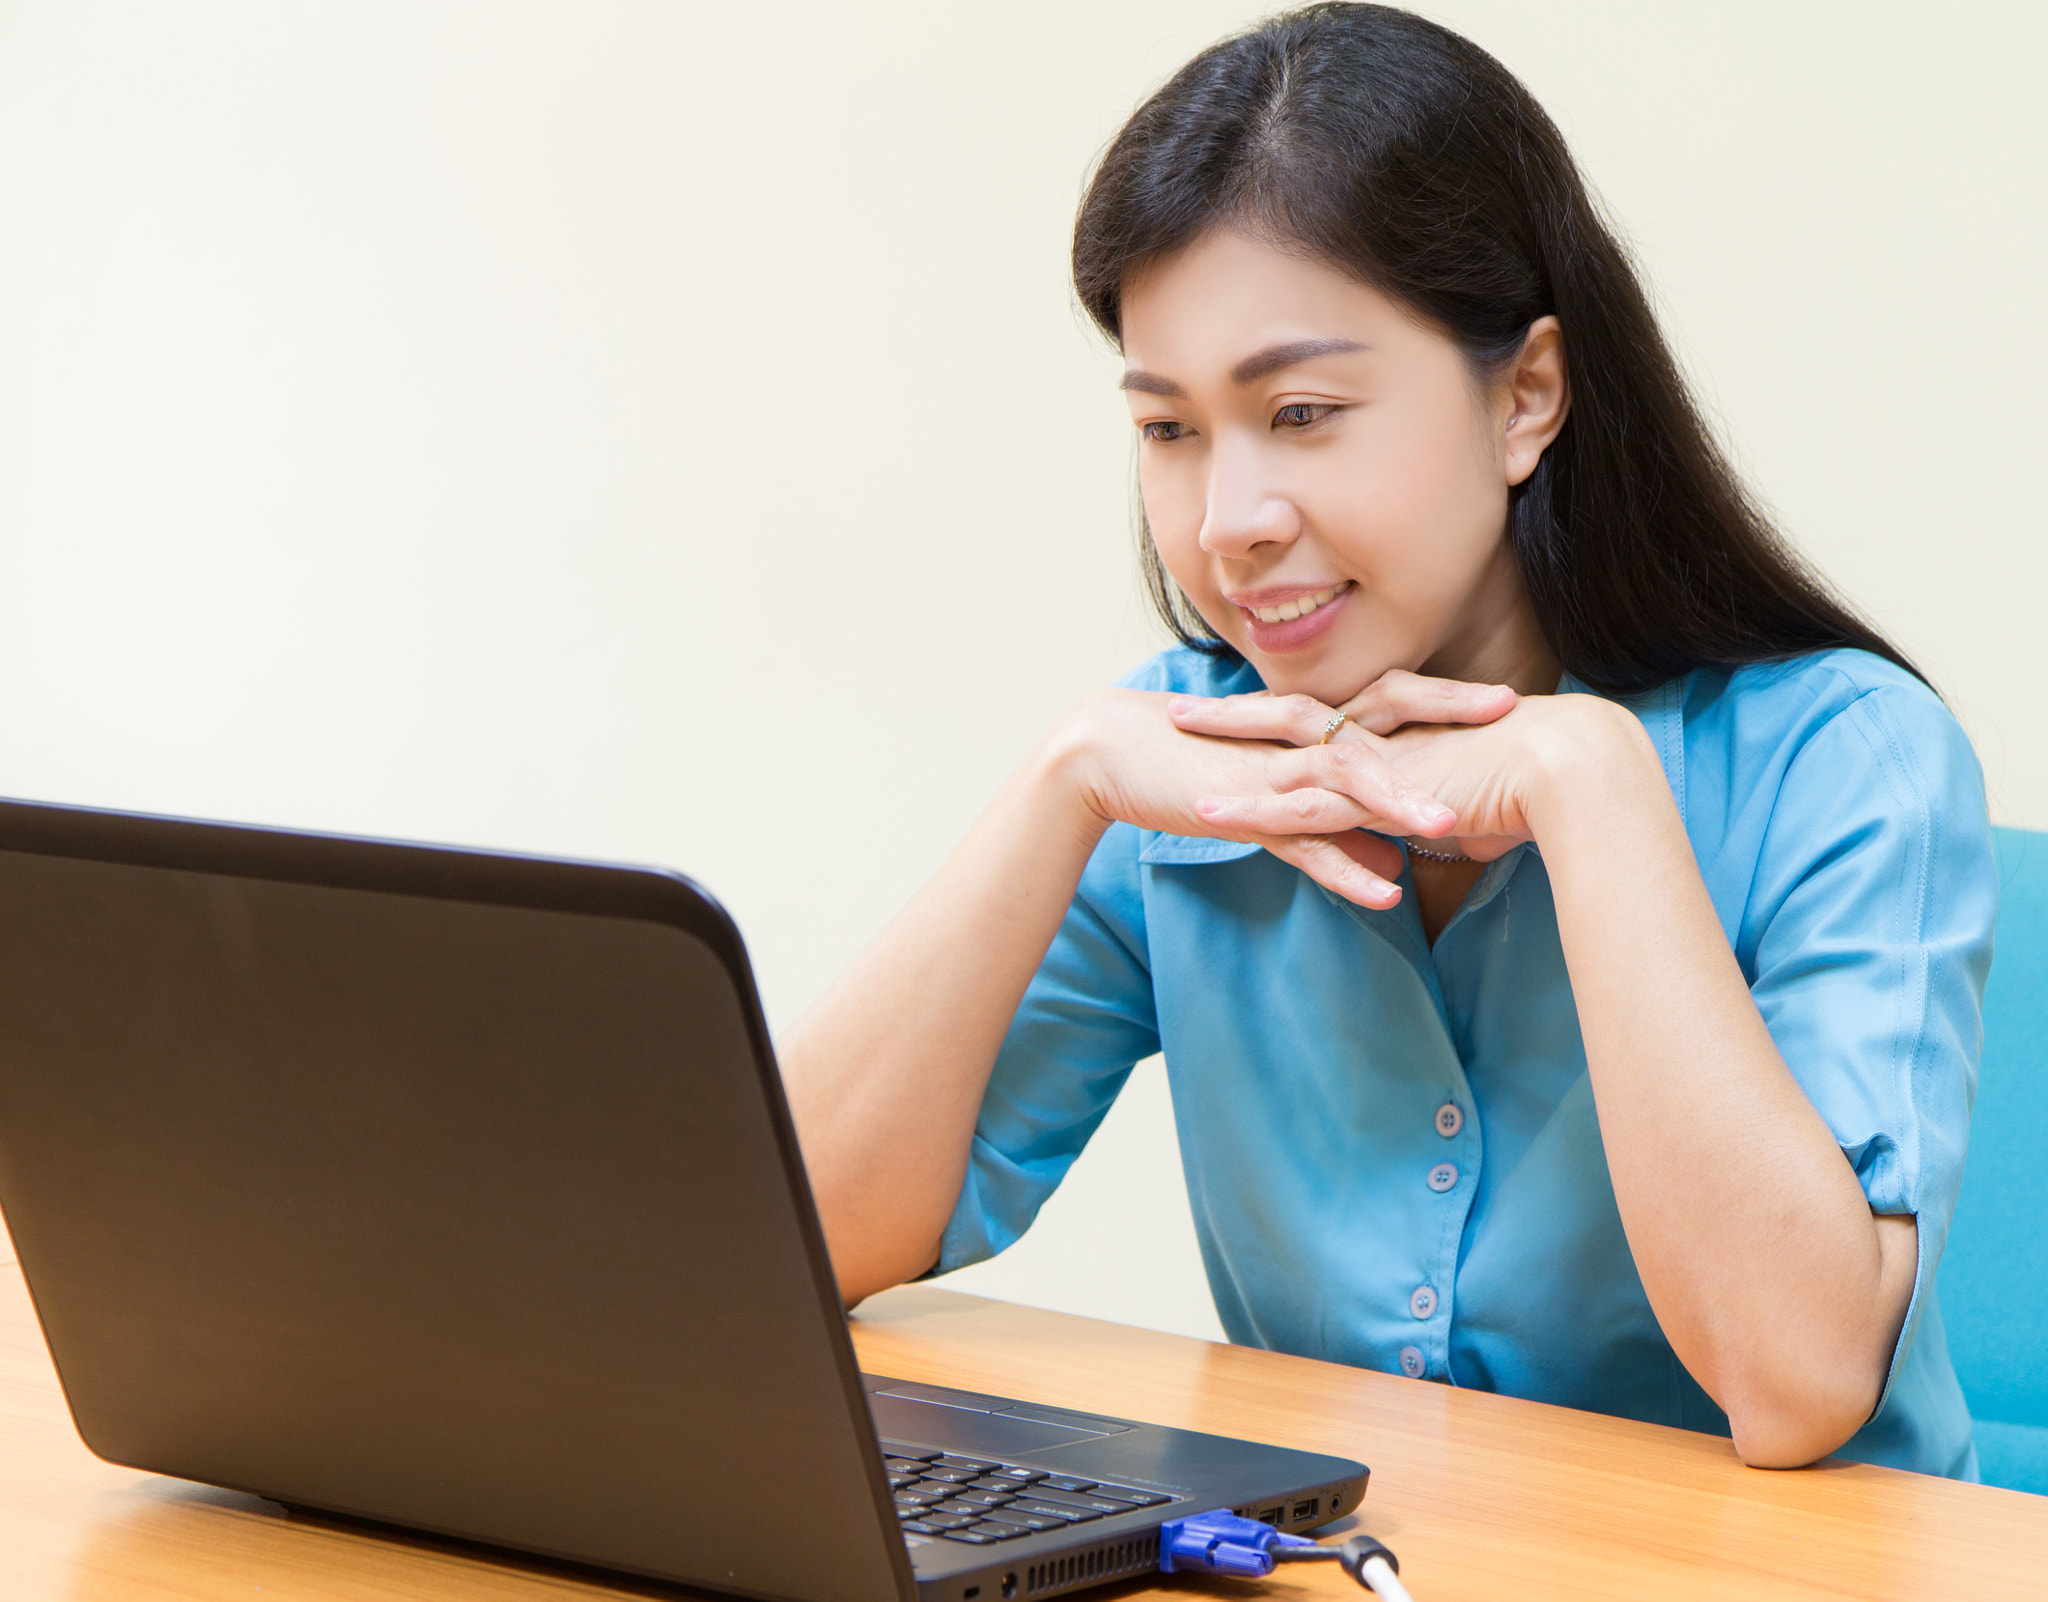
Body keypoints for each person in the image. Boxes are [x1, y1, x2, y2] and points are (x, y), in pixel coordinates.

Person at [780, 2, 1993, 1478]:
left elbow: (1794, 1383)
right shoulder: (1190, 767)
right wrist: (1063, 785)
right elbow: (798, 1248)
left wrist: (1588, 784)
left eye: (1301, 411)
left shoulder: (1843, 760)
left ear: (1526, 396)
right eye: (1169, 429)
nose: (1227, 522)